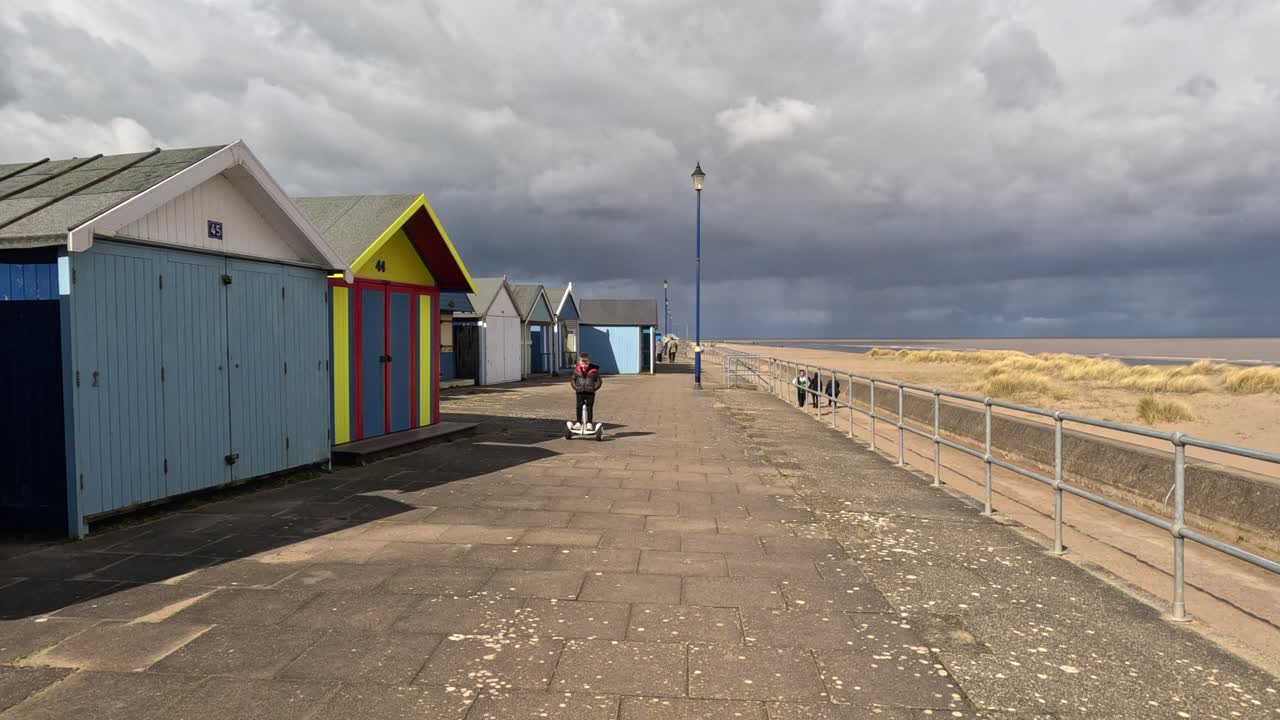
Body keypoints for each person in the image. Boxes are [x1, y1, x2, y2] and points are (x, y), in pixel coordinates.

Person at [570, 352, 602, 429]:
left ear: (589, 362)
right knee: (579, 407)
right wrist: (576, 388)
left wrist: (594, 388)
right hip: (580, 392)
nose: (584, 366)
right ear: (579, 363)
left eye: (586, 364)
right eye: (582, 364)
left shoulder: (594, 371)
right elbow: (572, 380)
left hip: (590, 393)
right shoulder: (576, 371)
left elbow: (599, 380)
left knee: (589, 408)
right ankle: (578, 422)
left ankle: (589, 424)